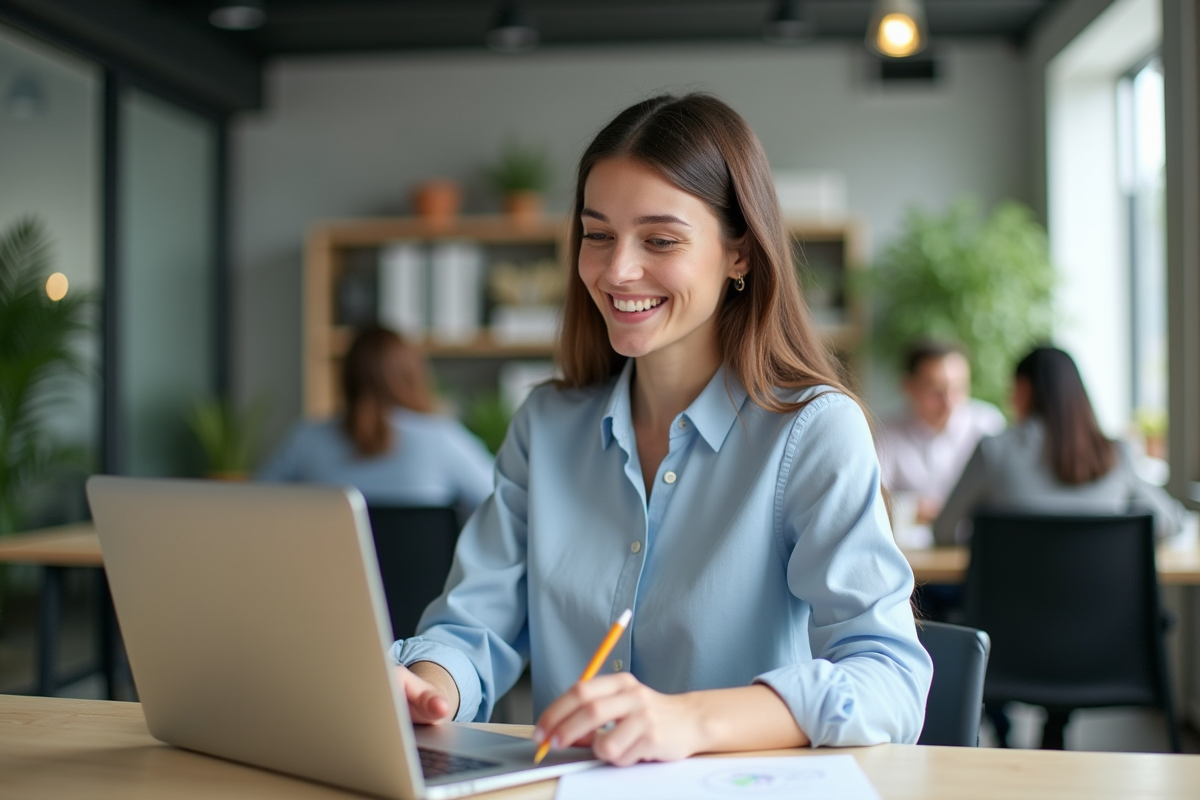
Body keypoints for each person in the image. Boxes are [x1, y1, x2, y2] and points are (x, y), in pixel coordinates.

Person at [390, 93, 931, 765]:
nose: (617, 270)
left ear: (740, 254)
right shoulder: (546, 427)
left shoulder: (813, 432)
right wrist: (423, 688)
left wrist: (692, 721)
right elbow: (473, 627)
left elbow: (890, 679)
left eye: (660, 240)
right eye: (597, 234)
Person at [934, 346, 1186, 546]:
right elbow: (1170, 522)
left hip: (1011, 609)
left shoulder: (993, 451)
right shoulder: (1116, 453)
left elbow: (943, 531)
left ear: (1023, 390)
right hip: (1105, 609)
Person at [257, 326, 494, 515]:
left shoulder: (307, 438)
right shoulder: (442, 438)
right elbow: (501, 503)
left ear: (347, 378)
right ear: (413, 375)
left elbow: (254, 504)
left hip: (330, 575)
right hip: (425, 576)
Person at [877, 341, 1006, 525]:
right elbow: (875, 498)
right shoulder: (885, 433)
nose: (949, 401)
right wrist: (913, 508)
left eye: (959, 388)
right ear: (909, 386)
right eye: (936, 390)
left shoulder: (988, 424)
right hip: (910, 548)